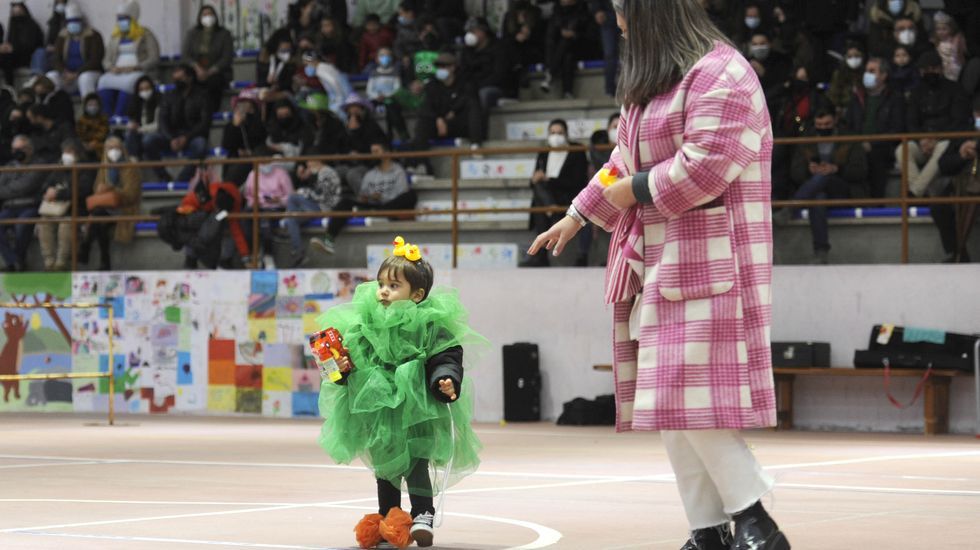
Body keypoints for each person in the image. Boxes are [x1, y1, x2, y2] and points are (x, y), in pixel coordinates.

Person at [529, 2, 789, 549]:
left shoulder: (724, 73)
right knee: (669, 402)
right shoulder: (651, 86)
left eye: (625, 14)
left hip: (714, 260)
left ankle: (753, 516)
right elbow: (617, 163)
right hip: (654, 264)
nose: (618, 26)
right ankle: (708, 529)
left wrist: (636, 190)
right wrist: (577, 215)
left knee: (685, 395)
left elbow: (707, 167)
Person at [317, 238, 484, 549]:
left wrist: (445, 379)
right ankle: (389, 517)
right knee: (385, 468)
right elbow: (351, 364)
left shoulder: (429, 323)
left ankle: (422, 514)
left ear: (417, 294)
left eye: (394, 286)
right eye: (381, 283)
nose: (383, 291)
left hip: (416, 407)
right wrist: (340, 367)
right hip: (380, 410)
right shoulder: (366, 324)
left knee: (416, 462)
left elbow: (445, 355)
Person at [779, 107, 867, 264]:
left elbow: (860, 171)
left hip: (842, 187)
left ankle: (790, 209)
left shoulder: (849, 139)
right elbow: (795, 172)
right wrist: (809, 171)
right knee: (818, 198)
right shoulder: (806, 140)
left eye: (827, 124)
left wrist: (836, 169)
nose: (823, 128)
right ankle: (821, 252)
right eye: (819, 125)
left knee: (823, 177)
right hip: (815, 189)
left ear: (835, 121)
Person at [897, 50, 972, 198]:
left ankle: (915, 193)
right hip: (923, 142)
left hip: (947, 141)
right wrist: (922, 139)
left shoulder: (955, 89)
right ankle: (924, 193)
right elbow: (911, 121)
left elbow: (959, 121)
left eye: (933, 68)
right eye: (925, 70)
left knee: (943, 146)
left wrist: (936, 139)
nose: (929, 72)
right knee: (902, 149)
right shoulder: (917, 92)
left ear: (940, 68)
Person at [323, 142, 415, 252]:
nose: (373, 155)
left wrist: (381, 197)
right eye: (372, 152)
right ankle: (329, 240)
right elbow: (363, 194)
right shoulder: (370, 174)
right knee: (345, 202)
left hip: (390, 206)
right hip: (372, 206)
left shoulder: (398, 171)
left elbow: (401, 195)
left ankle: (378, 211)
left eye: (376, 151)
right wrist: (365, 198)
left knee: (411, 195)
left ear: (387, 153)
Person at [522, 119, 589, 267]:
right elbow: (534, 181)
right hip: (547, 196)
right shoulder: (544, 152)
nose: (556, 136)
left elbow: (578, 181)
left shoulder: (576, 151)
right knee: (539, 191)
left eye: (559, 133)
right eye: (552, 133)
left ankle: (540, 254)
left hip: (568, 195)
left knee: (541, 199)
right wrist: (536, 179)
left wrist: (549, 180)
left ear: (566, 135)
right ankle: (552, 211)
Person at [844, 57, 905, 199]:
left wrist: (872, 144)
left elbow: (897, 129)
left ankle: (875, 204)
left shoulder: (895, 98)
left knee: (875, 157)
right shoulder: (857, 98)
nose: (867, 74)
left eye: (872, 71)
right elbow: (847, 125)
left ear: (883, 75)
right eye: (866, 71)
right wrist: (858, 143)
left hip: (884, 148)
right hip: (856, 146)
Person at [79, 136, 141, 271]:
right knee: (99, 220)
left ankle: (86, 246)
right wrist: (102, 191)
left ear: (122, 149)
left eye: (116, 148)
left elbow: (131, 194)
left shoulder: (130, 167)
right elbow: (96, 189)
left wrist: (111, 189)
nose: (113, 151)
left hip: (124, 207)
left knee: (98, 217)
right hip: (106, 207)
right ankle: (104, 261)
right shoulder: (104, 166)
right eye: (110, 148)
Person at [144, 64, 212, 183]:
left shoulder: (202, 95)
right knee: (148, 141)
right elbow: (162, 120)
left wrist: (186, 137)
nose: (177, 81)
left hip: (192, 136)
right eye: (175, 79)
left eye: (181, 79)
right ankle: (163, 176)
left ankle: (182, 179)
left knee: (201, 145)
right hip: (172, 136)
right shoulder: (168, 96)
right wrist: (171, 138)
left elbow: (204, 122)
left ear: (190, 78)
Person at [932, 97, 980, 263]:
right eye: (978, 113)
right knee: (939, 206)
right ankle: (959, 252)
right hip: (962, 181)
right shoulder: (962, 132)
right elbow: (943, 164)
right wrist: (961, 155)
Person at [38, 138, 94, 271]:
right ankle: (49, 262)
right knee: (43, 223)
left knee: (66, 224)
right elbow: (45, 185)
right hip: (55, 209)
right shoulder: (59, 168)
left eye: (70, 152)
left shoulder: (87, 168)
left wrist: (58, 193)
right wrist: (48, 191)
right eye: (64, 151)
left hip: (76, 209)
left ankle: (62, 262)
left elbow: (83, 189)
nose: (66, 155)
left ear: (78, 153)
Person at [97, 1, 160, 117]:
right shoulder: (115, 37)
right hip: (117, 72)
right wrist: (111, 68)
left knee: (127, 85)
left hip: (138, 71)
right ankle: (106, 118)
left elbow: (154, 57)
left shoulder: (145, 34)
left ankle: (119, 118)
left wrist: (137, 67)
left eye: (124, 18)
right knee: (103, 83)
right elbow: (106, 60)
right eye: (119, 19)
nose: (121, 22)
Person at [411, 52, 484, 151]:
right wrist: (438, 119)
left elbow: (468, 99)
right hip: (439, 126)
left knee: (472, 105)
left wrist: (453, 111)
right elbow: (427, 107)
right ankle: (420, 161)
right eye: (438, 66)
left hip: (459, 124)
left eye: (444, 66)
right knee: (423, 120)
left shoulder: (465, 83)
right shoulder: (432, 85)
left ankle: (476, 145)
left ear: (452, 68)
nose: (440, 69)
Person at [0, 135, 48, 271]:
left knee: (22, 225)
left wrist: (9, 188)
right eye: (14, 149)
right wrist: (14, 189)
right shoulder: (9, 166)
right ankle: (14, 261)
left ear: (30, 150)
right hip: (9, 207)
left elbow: (26, 186)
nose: (17, 152)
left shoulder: (39, 164)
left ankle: (16, 262)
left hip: (29, 206)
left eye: (21, 149)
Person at [284, 157, 342, 266]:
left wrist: (302, 191)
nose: (308, 166)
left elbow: (321, 196)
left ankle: (291, 234)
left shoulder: (327, 173)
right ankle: (298, 252)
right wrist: (308, 177)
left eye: (309, 163)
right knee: (292, 219)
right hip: (316, 205)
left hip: (325, 207)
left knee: (293, 197)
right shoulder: (318, 173)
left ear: (318, 160)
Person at [241, 159, 295, 269]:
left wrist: (279, 200)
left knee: (265, 221)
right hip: (257, 206)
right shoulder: (252, 174)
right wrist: (255, 201)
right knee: (245, 217)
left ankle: (268, 255)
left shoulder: (281, 173)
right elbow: (248, 195)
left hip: (276, 207)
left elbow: (291, 196)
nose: (264, 165)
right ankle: (253, 254)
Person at [182, 4, 234, 113]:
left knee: (213, 82)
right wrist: (197, 68)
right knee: (187, 79)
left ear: (215, 16)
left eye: (210, 14)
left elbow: (226, 58)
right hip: (196, 70)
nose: (208, 17)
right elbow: (186, 55)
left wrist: (210, 71)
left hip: (217, 72)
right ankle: (190, 111)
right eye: (205, 14)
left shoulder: (224, 34)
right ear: (199, 17)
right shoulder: (192, 34)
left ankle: (211, 111)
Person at [46, 2, 104, 99]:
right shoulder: (62, 36)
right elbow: (56, 58)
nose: (73, 24)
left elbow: (95, 59)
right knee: (51, 76)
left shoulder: (93, 35)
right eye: (70, 22)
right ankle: (56, 105)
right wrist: (64, 72)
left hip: (87, 72)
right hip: (66, 75)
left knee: (85, 78)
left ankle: (87, 105)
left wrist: (77, 73)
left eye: (76, 21)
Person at [458, 17, 512, 110]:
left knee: (484, 94)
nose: (470, 35)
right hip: (472, 88)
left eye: (473, 31)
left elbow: (499, 74)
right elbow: (463, 72)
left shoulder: (499, 48)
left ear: (483, 31)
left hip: (494, 87)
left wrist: (479, 86)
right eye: (468, 32)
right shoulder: (466, 51)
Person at [541, 0, 591, 99]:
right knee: (567, 56)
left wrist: (574, 35)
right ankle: (567, 92)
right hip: (562, 51)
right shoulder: (556, 12)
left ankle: (550, 73)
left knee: (565, 44)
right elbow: (550, 38)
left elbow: (590, 34)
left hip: (581, 46)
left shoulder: (583, 10)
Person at [220, 92, 267, 186]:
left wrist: (249, 152)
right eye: (240, 105)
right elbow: (226, 145)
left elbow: (259, 140)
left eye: (246, 104)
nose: (242, 108)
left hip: (255, 158)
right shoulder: (231, 125)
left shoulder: (257, 124)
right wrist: (235, 126)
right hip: (236, 159)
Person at [0, 2, 43, 86]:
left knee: (7, 58)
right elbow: (10, 42)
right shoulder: (13, 24)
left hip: (27, 55)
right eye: (14, 12)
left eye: (19, 12)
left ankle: (10, 87)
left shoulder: (31, 25)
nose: (17, 15)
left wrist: (13, 48)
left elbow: (31, 45)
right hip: (13, 54)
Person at [124, 75, 161, 161]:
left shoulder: (160, 101)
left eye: (147, 88)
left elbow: (158, 125)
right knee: (130, 134)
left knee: (147, 139)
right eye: (141, 89)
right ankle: (134, 161)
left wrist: (140, 129)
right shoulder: (137, 102)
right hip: (141, 131)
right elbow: (133, 120)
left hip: (156, 132)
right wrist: (131, 125)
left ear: (152, 88)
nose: (145, 91)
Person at [76, 93, 110, 161]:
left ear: (99, 106)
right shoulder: (81, 120)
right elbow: (78, 134)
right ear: (85, 106)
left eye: (95, 105)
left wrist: (95, 142)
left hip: (99, 146)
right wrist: (84, 143)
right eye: (90, 105)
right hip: (84, 146)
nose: (93, 107)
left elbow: (103, 133)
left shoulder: (103, 119)